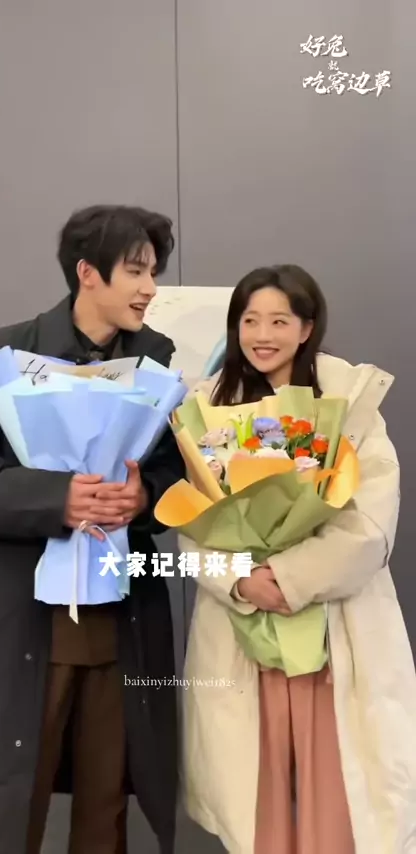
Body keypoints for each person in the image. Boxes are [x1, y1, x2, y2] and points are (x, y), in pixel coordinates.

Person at [0, 205, 186, 854]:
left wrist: (143, 496)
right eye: (135, 272)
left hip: (119, 622)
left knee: (106, 804)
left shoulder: (158, 366)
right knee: (3, 803)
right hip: (17, 619)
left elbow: (177, 474)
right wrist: (57, 499)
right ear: (87, 273)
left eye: (153, 273)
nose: (149, 289)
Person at [180, 265, 416, 854]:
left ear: (307, 328)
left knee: (336, 806)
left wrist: (289, 577)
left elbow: (369, 522)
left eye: (279, 321)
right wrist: (242, 582)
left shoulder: (350, 404)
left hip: (333, 628)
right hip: (243, 628)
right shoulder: (207, 408)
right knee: (253, 805)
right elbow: (192, 523)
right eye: (250, 321)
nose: (263, 335)